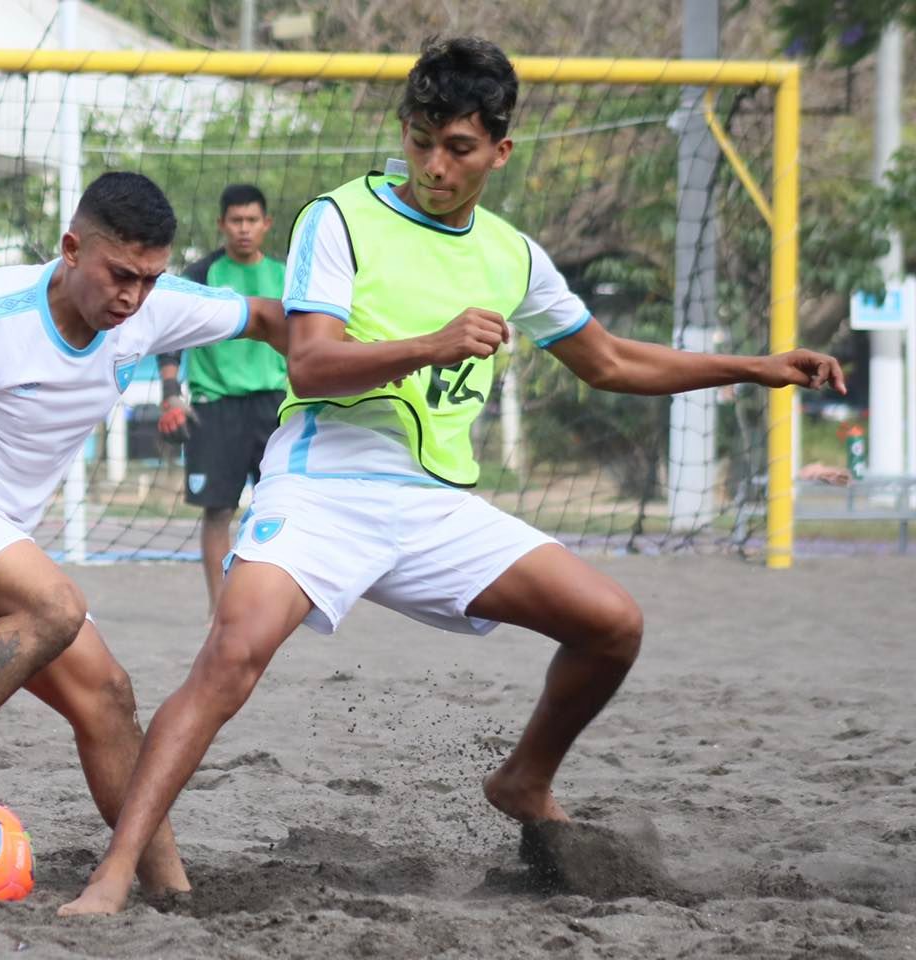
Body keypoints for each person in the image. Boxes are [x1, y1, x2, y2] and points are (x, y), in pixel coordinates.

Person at [59, 35, 845, 916]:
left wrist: (755, 366)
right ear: (404, 131)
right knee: (231, 656)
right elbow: (313, 367)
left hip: (433, 504)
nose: (435, 165)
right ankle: (116, 872)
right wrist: (432, 344)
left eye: (459, 148)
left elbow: (613, 361)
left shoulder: (512, 255)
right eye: (421, 140)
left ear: (499, 152)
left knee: (612, 626)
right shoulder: (341, 217)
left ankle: (521, 781)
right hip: (323, 482)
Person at [0, 171, 287, 892]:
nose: (132, 296)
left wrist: (366, 360)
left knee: (107, 696)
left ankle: (170, 891)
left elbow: (265, 315)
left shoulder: (150, 311)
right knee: (56, 607)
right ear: (72, 249)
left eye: (150, 279)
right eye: (120, 275)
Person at [155, 184, 288, 614]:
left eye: (252, 220)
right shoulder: (201, 274)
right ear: (222, 224)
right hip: (215, 408)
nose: (244, 229)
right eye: (236, 221)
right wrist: (172, 394)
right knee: (217, 511)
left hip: (276, 407)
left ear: (266, 224)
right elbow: (171, 336)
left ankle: (273, 604)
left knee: (282, 509)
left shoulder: (287, 275)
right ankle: (221, 609)